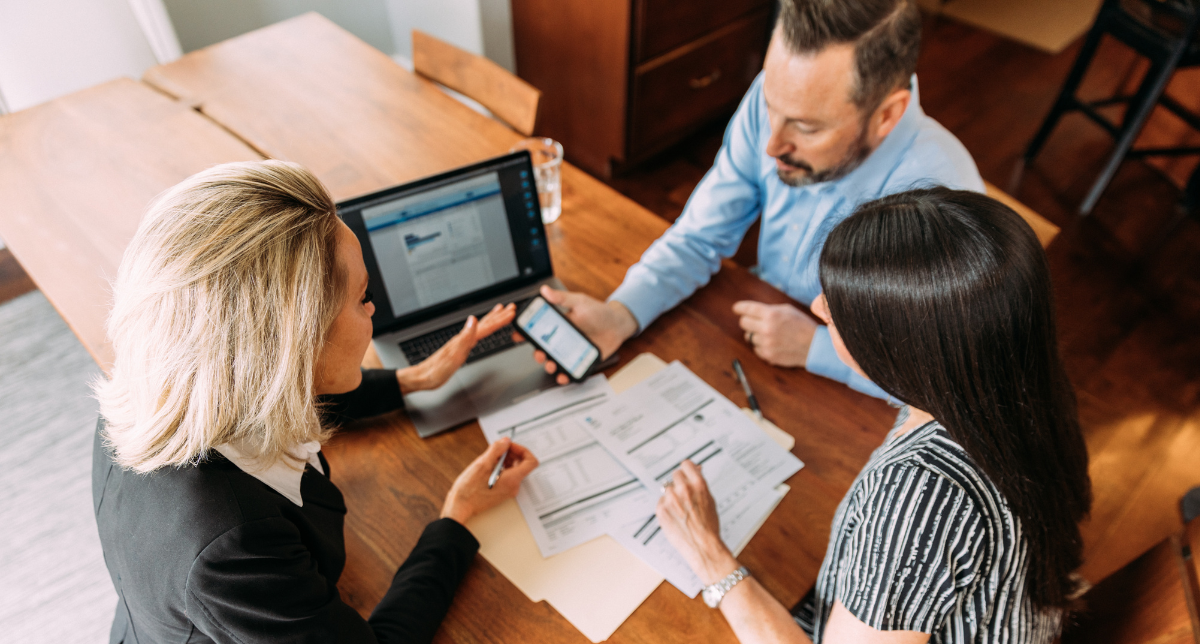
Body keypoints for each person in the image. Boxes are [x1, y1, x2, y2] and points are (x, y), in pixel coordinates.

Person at [92, 160, 538, 644]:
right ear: (293, 346)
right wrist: (456, 517)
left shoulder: (155, 387)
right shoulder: (237, 549)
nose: (373, 309)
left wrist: (411, 380)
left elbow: (281, 396)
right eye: (362, 297)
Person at [652, 188, 1093, 643]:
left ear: (899, 351)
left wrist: (710, 556)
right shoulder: (1013, 380)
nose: (817, 308)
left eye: (840, 311)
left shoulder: (920, 499)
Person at [530, 0, 982, 399]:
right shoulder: (779, 102)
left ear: (887, 115)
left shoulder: (947, 199)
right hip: (752, 346)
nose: (772, 144)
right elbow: (698, 237)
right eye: (770, 107)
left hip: (856, 403)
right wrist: (620, 314)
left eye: (806, 127)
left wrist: (816, 348)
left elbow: (951, 376)